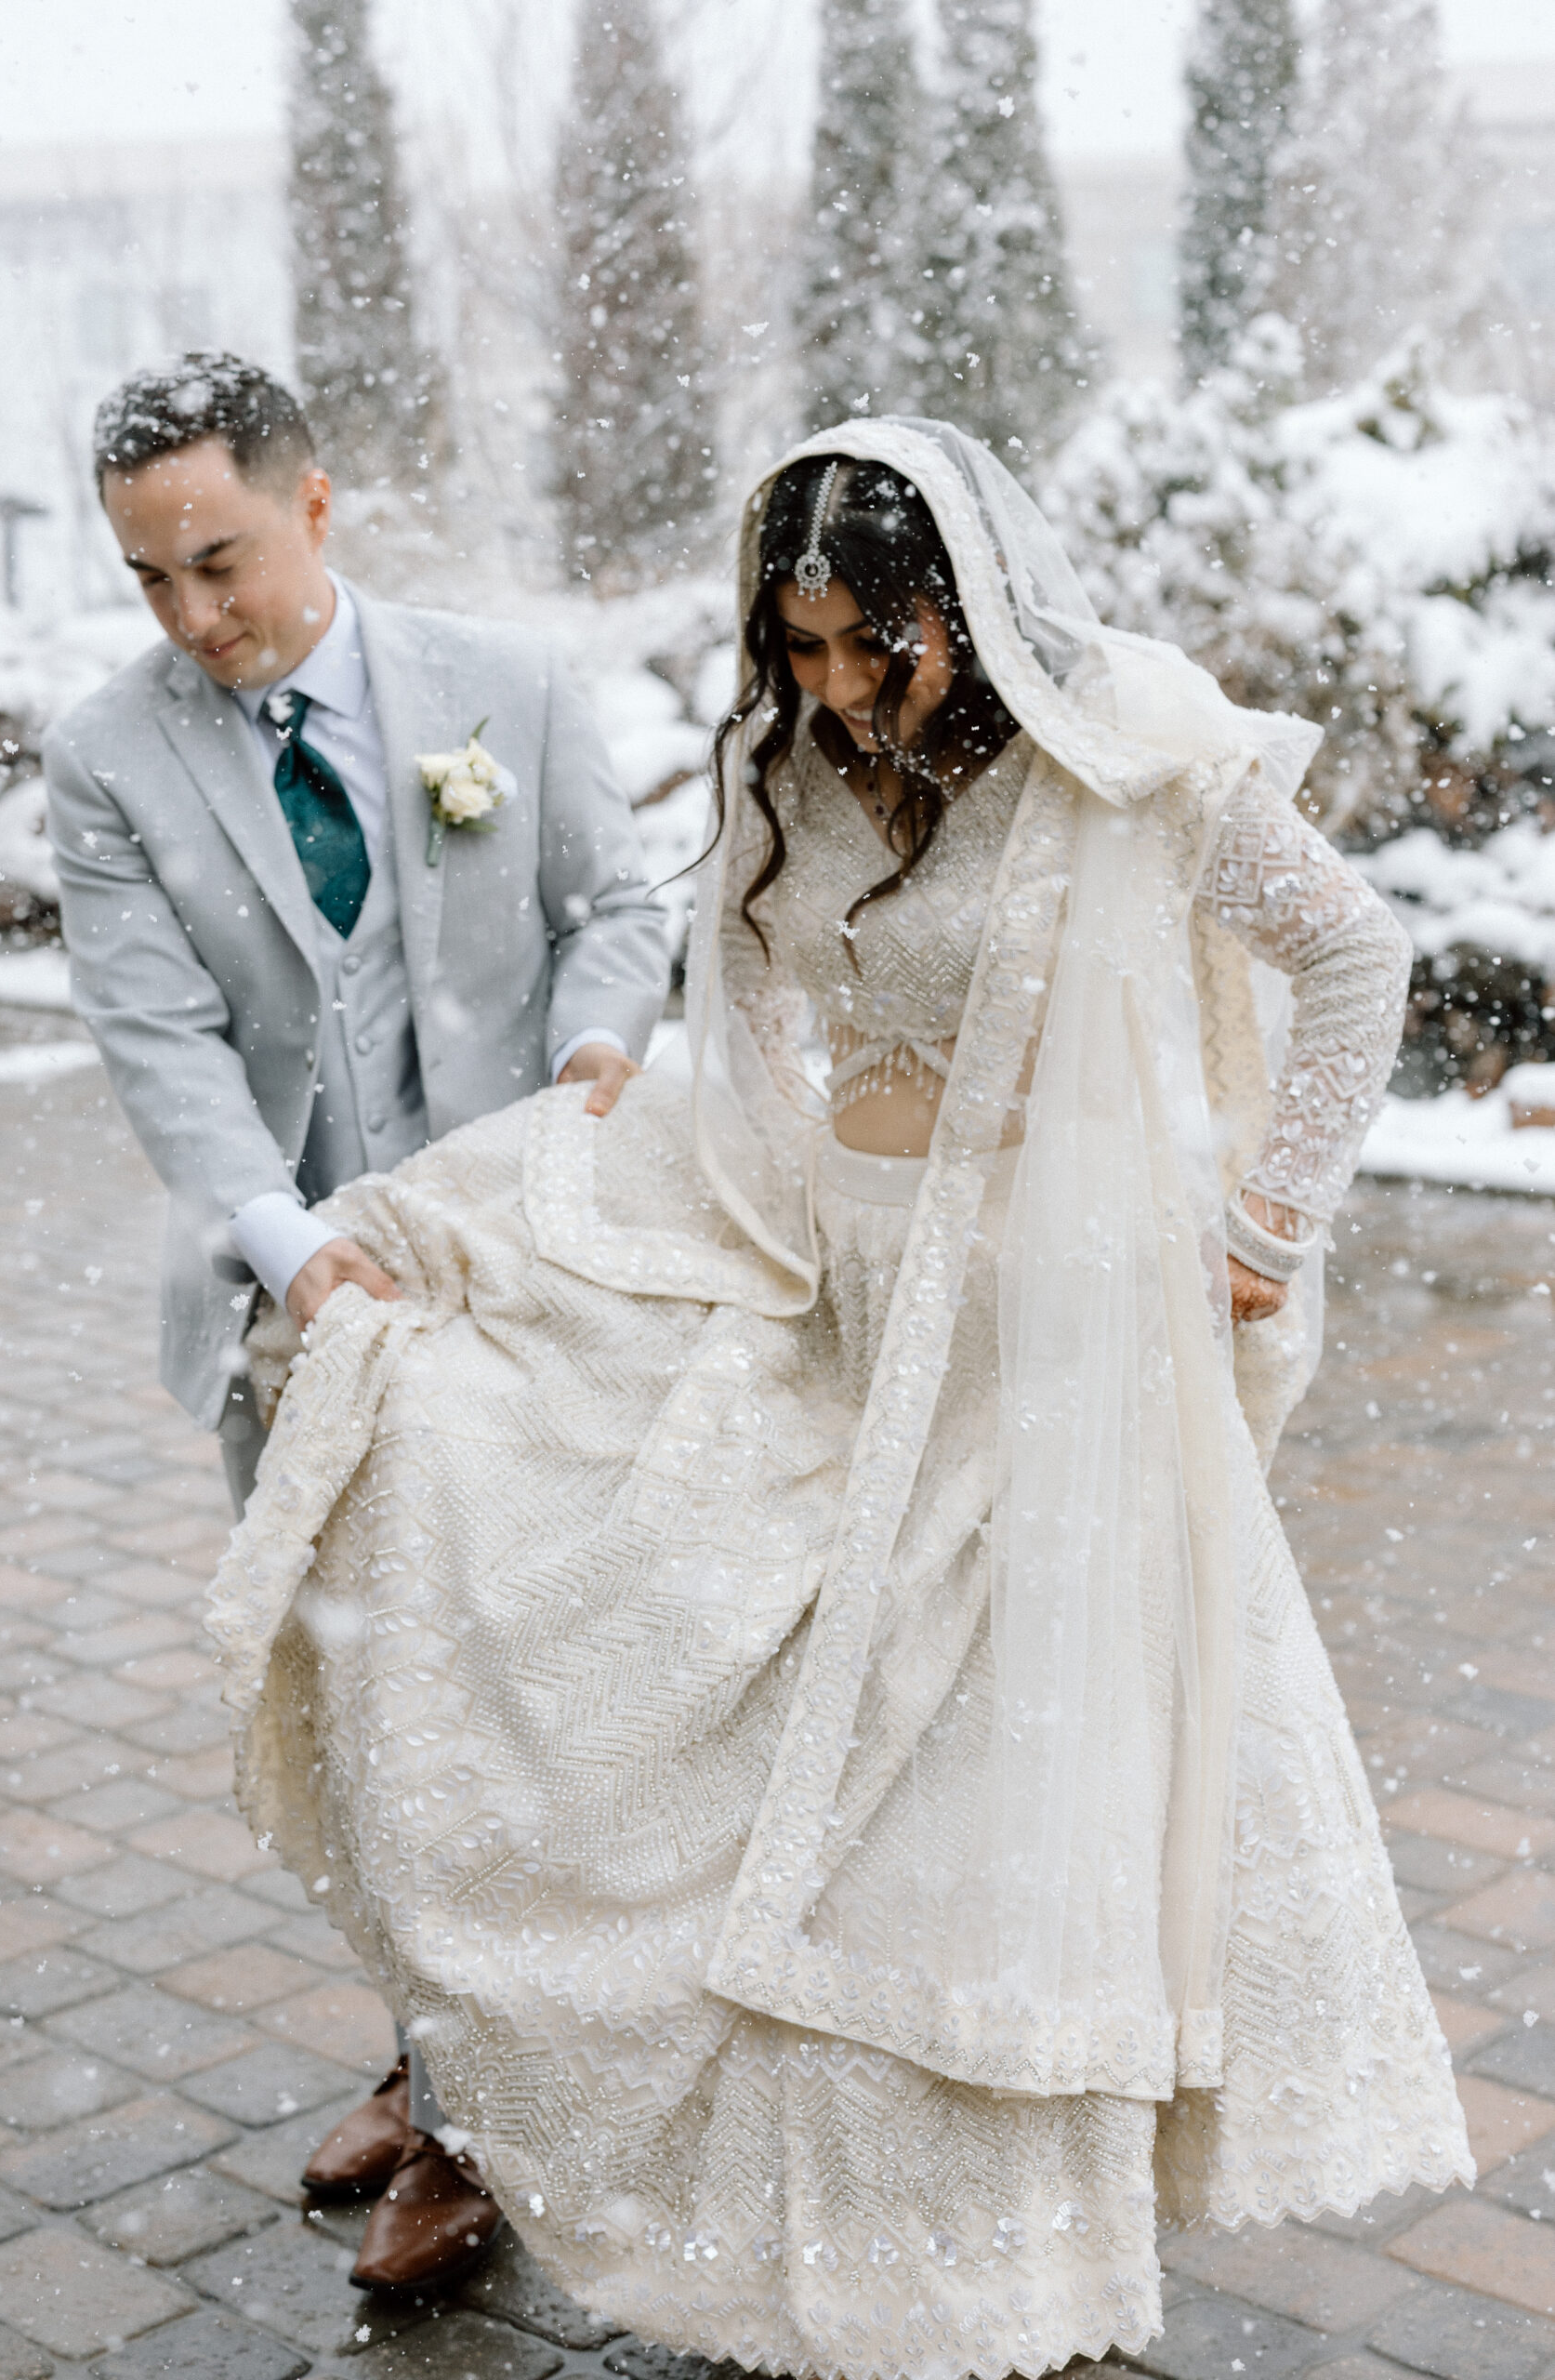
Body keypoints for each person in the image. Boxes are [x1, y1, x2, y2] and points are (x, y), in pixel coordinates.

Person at [207, 418, 1470, 2369]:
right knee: (674, 1668)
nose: (836, 689)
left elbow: (1353, 954)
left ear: (963, 607)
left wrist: (1270, 1217)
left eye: (873, 646)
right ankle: (808, 2224)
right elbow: (764, 1030)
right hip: (837, 1276)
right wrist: (645, 1157)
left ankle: (1013, 2244)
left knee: (971, 1787)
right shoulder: (789, 763)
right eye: (794, 649)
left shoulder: (1122, 754)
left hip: (1042, 1338)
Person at [44, 352, 669, 2292]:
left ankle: (483, 2113)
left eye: (218, 560)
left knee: (499, 1705)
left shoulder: (509, 686)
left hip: (513, 1285)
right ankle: (434, 2045)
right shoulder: (109, 757)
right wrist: (290, 1246)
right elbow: (160, 1040)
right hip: (287, 1310)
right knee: (357, 1719)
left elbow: (614, 907)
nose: (190, 614)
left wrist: (592, 1063)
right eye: (150, 577)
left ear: (313, 506)